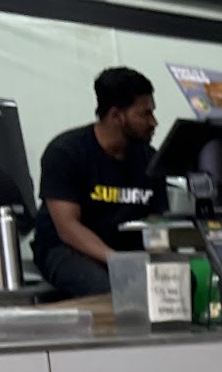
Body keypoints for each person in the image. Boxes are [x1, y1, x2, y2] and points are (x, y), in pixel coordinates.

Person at [32, 68, 167, 299]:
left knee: (182, 282)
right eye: (145, 114)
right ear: (116, 116)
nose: (154, 122)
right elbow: (67, 228)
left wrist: (163, 265)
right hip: (67, 249)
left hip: (126, 252)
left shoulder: (150, 160)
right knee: (108, 289)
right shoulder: (66, 152)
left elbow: (156, 223)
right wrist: (117, 260)